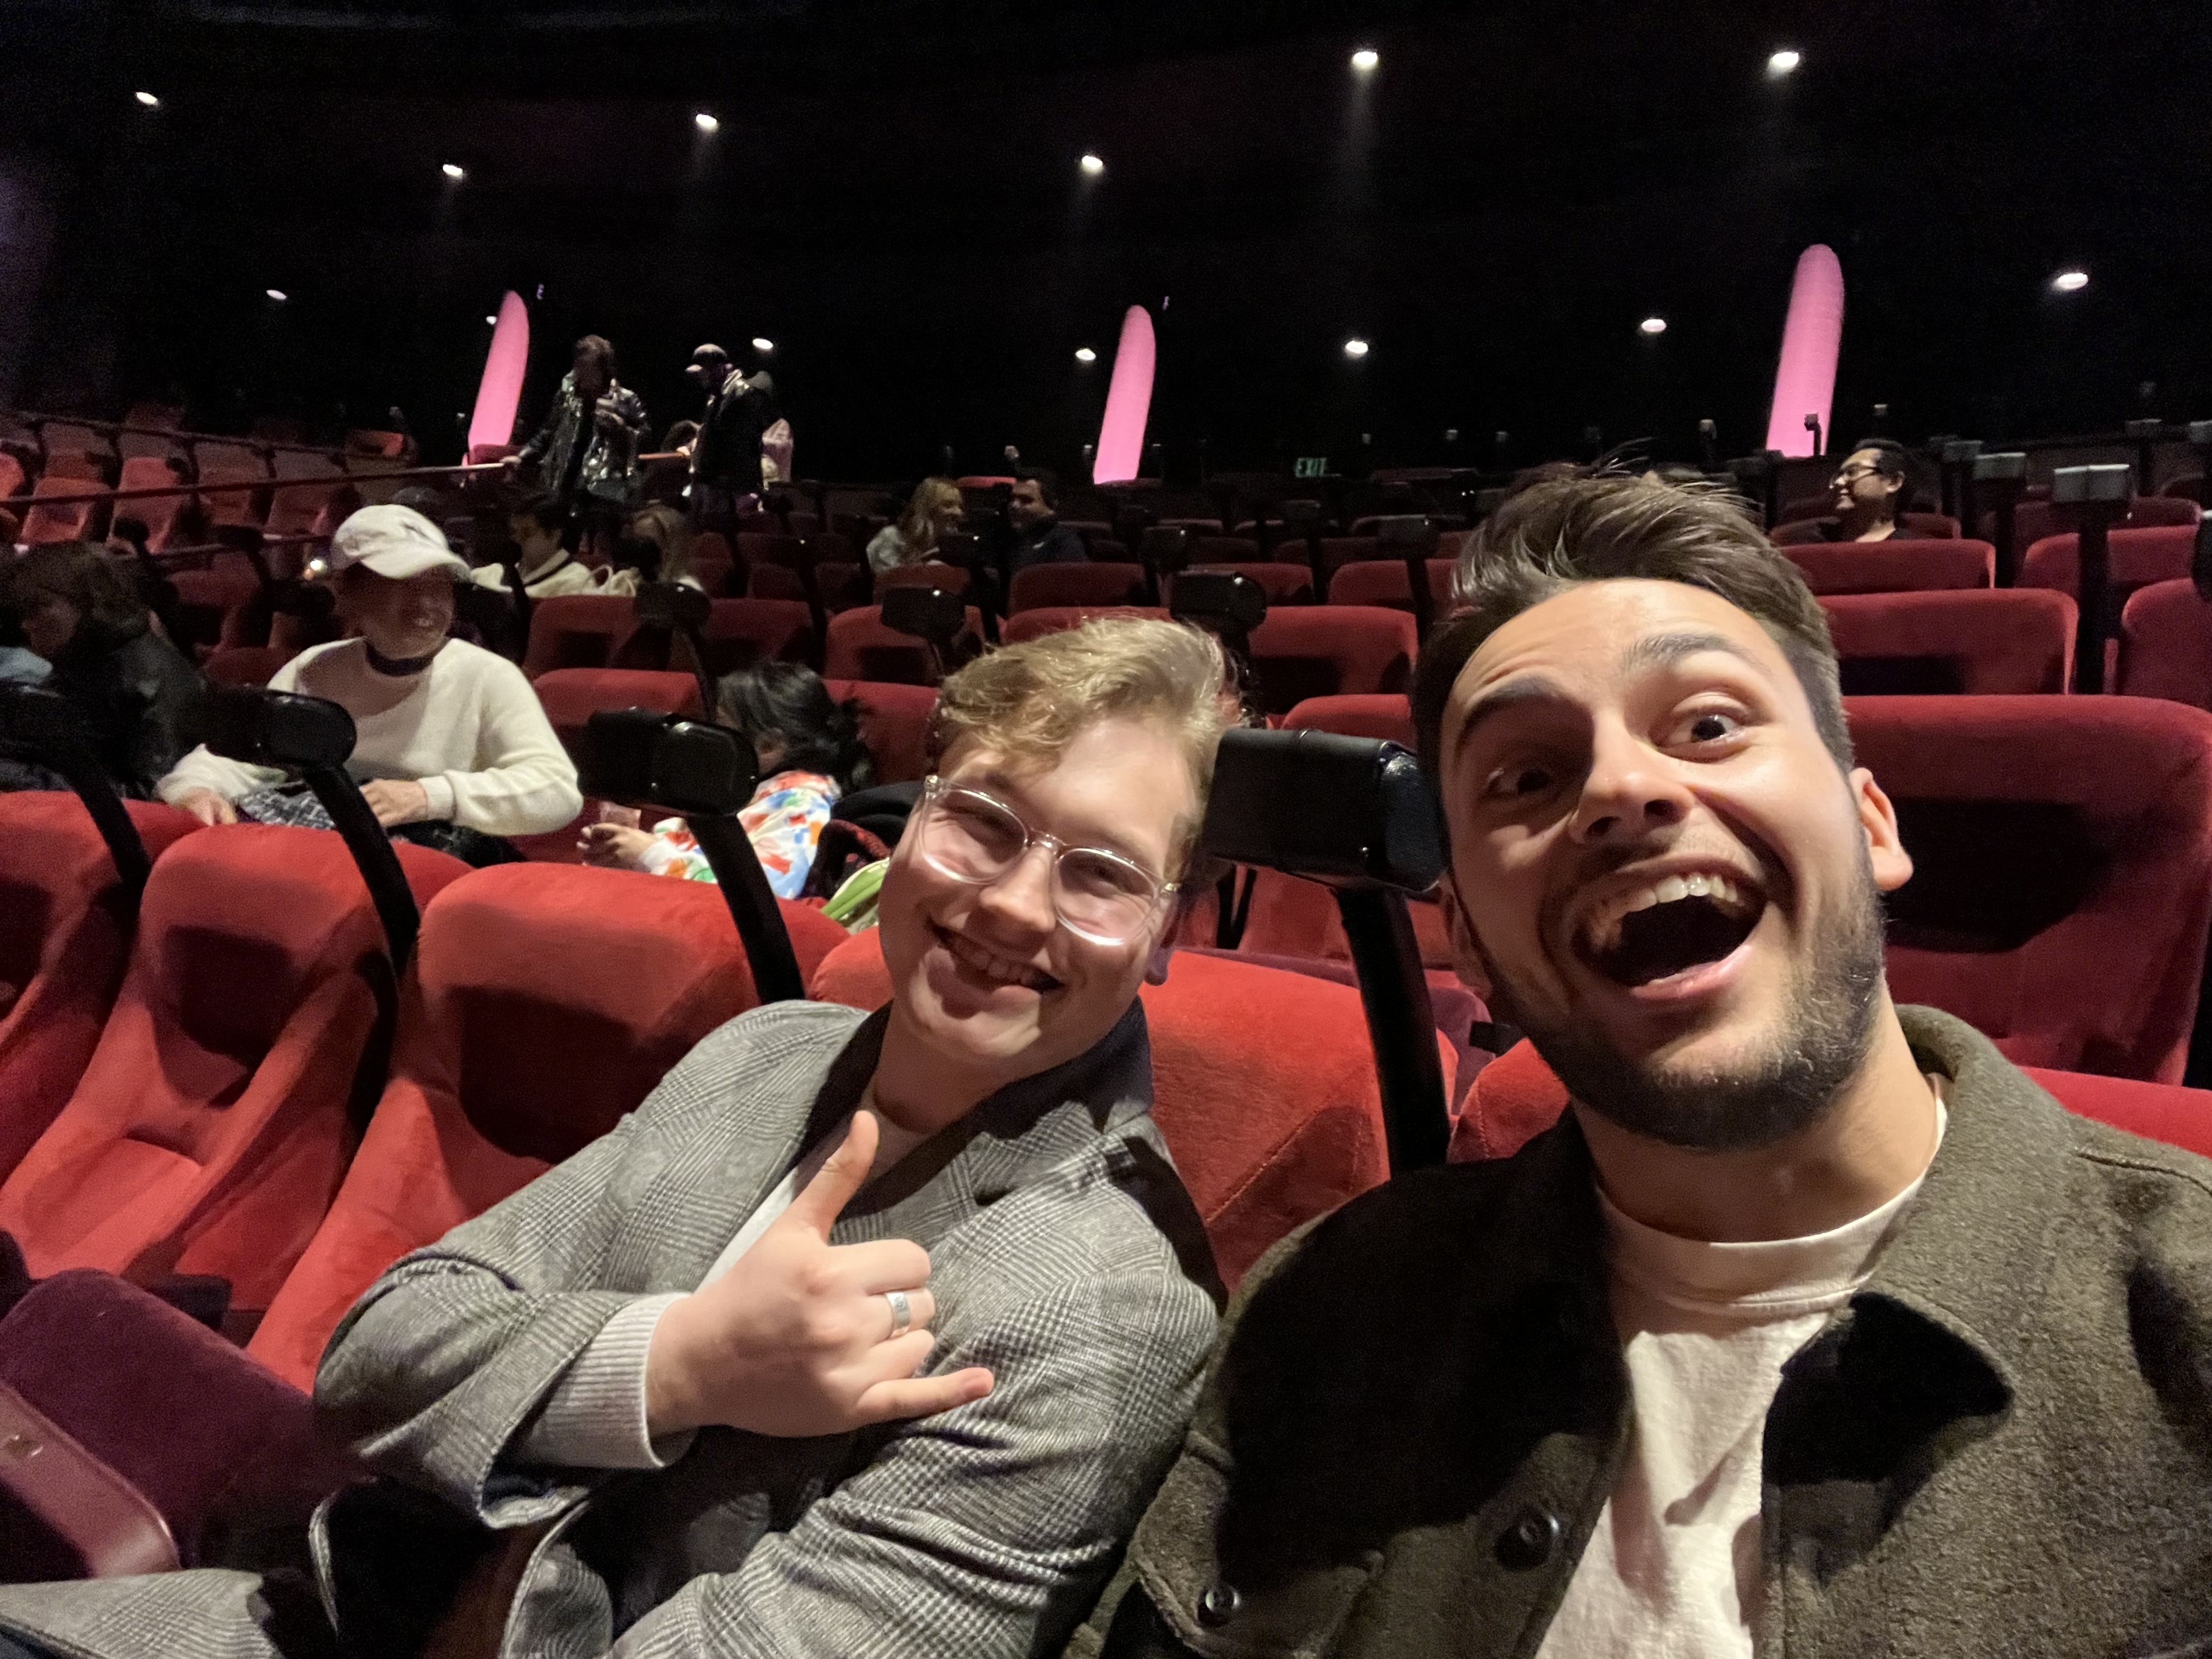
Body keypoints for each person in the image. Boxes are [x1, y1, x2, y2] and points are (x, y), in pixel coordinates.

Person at [1075, 474, 2212, 1659]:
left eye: (1709, 725)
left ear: (1871, 824)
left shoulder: (2187, 1330)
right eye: (1527, 777)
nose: (1621, 790)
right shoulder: (1333, 1305)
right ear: (1471, 944)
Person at [0, 615, 1238, 1659]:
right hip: (334, 1609)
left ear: (1168, 929)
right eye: (983, 822)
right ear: (911, 823)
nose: (1012, 902)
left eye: (1101, 873)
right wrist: (680, 1364)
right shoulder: (766, 1053)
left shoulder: (1100, 1308)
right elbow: (377, 1355)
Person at [157, 505, 581, 864]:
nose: (427, 605)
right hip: (322, 853)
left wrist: (427, 796)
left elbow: (557, 791)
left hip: (426, 868)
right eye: (404, 585)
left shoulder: (488, 676)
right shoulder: (316, 668)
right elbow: (240, 758)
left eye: (439, 587)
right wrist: (197, 789)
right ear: (348, 592)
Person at [579, 659, 873, 896]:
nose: (708, 737)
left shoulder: (803, 804)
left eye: (720, 725)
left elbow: (765, 894)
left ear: (768, 746)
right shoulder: (738, 790)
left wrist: (649, 854)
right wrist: (623, 849)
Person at [0, 541, 204, 798]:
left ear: (87, 601)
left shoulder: (152, 678)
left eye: (37, 607)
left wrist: (16, 778)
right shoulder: (82, 661)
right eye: (23, 611)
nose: (27, 624)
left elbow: (148, 793)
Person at [513, 335, 649, 549]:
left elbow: (644, 438)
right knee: (563, 543)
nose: (583, 374)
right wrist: (523, 455)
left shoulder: (625, 399)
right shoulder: (568, 398)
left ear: (603, 369)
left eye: (589, 368)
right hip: (565, 483)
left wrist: (619, 427)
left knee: (601, 547)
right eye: (580, 367)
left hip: (603, 491)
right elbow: (548, 432)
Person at [684, 341, 780, 529]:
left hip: (731, 490)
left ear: (720, 369)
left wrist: (731, 483)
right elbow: (710, 434)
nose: (701, 378)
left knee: (723, 534)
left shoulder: (741, 395)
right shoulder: (718, 397)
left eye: (705, 371)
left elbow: (739, 445)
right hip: (714, 485)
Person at [472, 492, 637, 600]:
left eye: (527, 533)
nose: (518, 540)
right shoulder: (499, 571)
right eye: (515, 532)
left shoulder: (576, 583)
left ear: (554, 536)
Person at [1818, 437, 1934, 541]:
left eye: (1852, 472)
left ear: (1894, 482)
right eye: (1838, 476)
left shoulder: (1918, 550)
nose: (1839, 482)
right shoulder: (1814, 538)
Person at [867, 477, 965, 572]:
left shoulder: (953, 544)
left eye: (960, 506)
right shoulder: (892, 537)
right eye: (948, 505)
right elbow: (887, 579)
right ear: (927, 508)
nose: (958, 512)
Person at [1007, 472, 1089, 571]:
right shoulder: (1011, 540)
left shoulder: (1065, 542)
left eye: (1026, 500)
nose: (1014, 506)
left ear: (1050, 506)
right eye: (1012, 499)